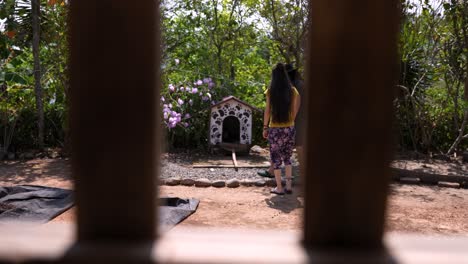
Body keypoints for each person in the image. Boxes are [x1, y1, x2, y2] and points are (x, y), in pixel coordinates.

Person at [258, 63, 304, 181]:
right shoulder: (294, 87)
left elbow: (268, 110)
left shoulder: (291, 87)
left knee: (281, 152)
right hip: (291, 124)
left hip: (286, 124)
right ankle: (278, 176)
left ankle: (280, 181)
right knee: (287, 155)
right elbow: (294, 109)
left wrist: (266, 127)